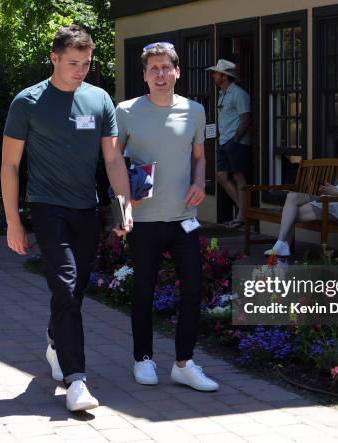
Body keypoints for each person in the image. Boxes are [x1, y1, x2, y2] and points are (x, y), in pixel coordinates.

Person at [1, 24, 132, 411]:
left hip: (86, 209)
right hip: (47, 206)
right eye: (73, 62)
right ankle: (77, 381)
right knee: (66, 284)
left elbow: (112, 158)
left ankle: (56, 341)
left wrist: (123, 208)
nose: (80, 70)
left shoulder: (99, 100)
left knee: (73, 291)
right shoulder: (27, 102)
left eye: (86, 63)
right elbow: (10, 165)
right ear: (54, 58)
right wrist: (13, 220)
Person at [116, 42, 219, 391]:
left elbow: (200, 156)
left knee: (192, 290)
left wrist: (200, 181)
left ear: (177, 72)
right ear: (144, 76)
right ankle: (142, 359)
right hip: (143, 219)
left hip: (183, 219)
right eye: (153, 69)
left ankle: (184, 363)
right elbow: (114, 162)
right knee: (143, 291)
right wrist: (121, 208)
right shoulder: (126, 111)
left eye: (166, 68)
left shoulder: (195, 111)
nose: (160, 74)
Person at [265, 131, 338, 256]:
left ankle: (282, 244)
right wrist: (331, 189)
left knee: (291, 213)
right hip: (333, 200)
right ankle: (282, 244)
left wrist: (337, 194)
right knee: (292, 196)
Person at [207, 59, 251, 229]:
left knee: (239, 177)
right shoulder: (222, 94)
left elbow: (245, 119)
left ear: (224, 77)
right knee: (221, 177)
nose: (213, 75)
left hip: (235, 142)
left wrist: (236, 139)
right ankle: (244, 211)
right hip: (224, 140)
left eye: (216, 73)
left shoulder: (239, 94)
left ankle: (241, 216)